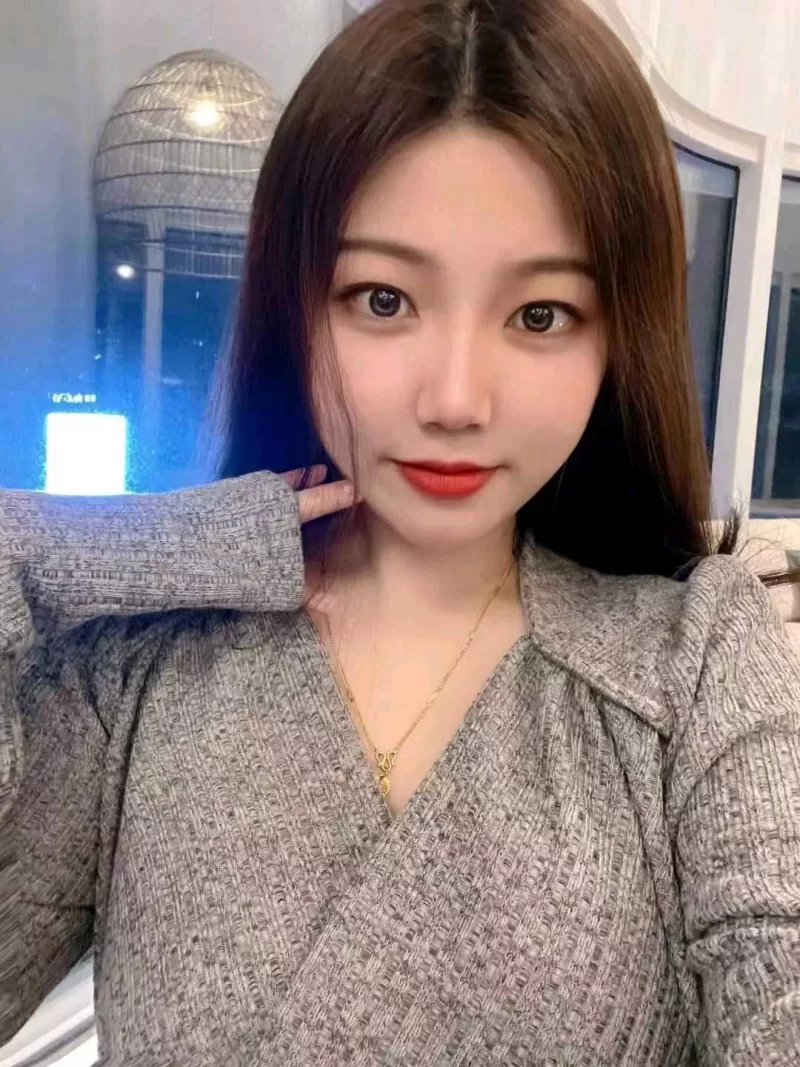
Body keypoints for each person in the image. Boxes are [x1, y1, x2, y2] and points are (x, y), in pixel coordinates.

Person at [2, 0, 800, 1063]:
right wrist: (49, 550)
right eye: (382, 299)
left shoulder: (693, 663)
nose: (454, 399)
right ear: (295, 306)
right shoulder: (140, 661)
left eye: (539, 314)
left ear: (619, 338)